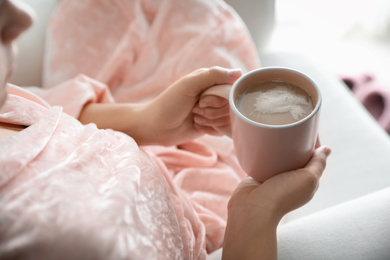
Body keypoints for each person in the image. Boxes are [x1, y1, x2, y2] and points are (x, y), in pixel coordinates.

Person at [0, 0, 330, 259]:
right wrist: (257, 214)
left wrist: (151, 121)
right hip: (211, 208)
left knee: (179, 15)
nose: (23, 17)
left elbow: (51, 112)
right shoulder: (47, 238)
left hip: (138, 131)